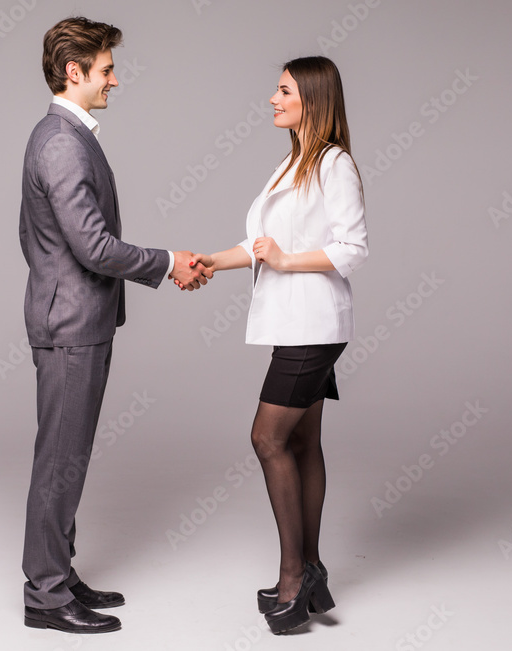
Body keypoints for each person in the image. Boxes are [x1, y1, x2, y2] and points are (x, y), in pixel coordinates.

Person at [18, 16, 212, 635]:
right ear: (73, 71)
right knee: (60, 459)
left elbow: (46, 240)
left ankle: (58, 572)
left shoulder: (65, 135)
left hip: (78, 320)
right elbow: (94, 247)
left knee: (68, 458)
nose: (115, 80)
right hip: (71, 327)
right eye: (106, 70)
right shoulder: (61, 142)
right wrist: (169, 263)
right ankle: (46, 595)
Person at [186, 56, 368, 634]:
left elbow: (353, 247)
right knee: (303, 442)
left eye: (284, 90)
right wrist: (210, 261)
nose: (273, 98)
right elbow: (260, 243)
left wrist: (287, 261)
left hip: (313, 326)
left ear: (312, 99)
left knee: (267, 438)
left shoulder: (334, 164)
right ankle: (311, 570)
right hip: (295, 325)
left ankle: (293, 579)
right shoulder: (293, 161)